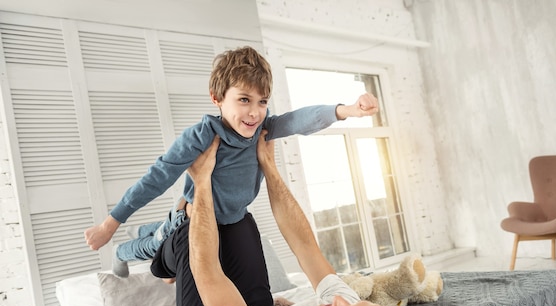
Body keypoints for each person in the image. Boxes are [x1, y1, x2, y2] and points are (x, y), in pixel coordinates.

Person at [150, 131, 417, 306]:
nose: (339, 302)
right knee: (239, 222)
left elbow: (208, 272)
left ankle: (163, 264)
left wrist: (201, 181)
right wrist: (268, 164)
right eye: (355, 304)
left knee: (189, 232)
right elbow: (306, 247)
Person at [83, 46, 378, 278]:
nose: (255, 112)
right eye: (244, 100)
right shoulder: (202, 136)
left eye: (262, 101)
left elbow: (300, 119)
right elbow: (156, 178)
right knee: (157, 249)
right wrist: (110, 224)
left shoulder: (263, 129)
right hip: (192, 219)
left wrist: (348, 110)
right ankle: (123, 250)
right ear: (217, 98)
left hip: (229, 221)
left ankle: (146, 227)